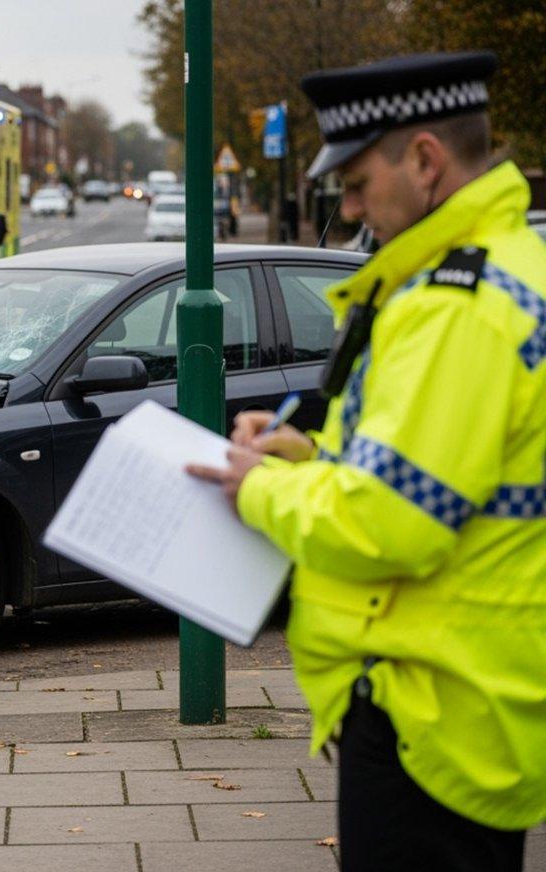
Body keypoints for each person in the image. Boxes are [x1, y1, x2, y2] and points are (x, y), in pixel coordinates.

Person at [187, 52, 546, 871]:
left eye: (354, 182)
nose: (347, 207)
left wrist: (265, 489)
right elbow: (451, 469)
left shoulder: (453, 311)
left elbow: (396, 520)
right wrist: (312, 453)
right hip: (479, 688)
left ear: (424, 160)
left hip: (428, 708)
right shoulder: (516, 268)